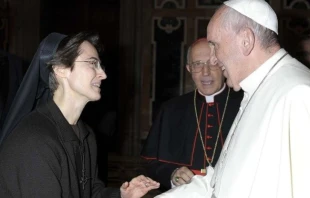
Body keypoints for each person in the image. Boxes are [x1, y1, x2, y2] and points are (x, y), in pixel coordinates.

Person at [0, 32, 159, 198]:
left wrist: (122, 195)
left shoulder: (86, 134)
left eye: (100, 66)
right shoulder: (35, 141)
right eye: (92, 64)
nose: (103, 75)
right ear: (61, 69)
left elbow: (91, 192)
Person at [204, 0, 310, 197]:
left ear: (246, 40)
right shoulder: (254, 90)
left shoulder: (298, 94)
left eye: (214, 45)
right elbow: (216, 184)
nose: (212, 59)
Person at [141, 38, 243, 191]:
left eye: (212, 63)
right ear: (189, 69)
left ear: (223, 66)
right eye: (197, 64)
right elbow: (150, 161)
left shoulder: (245, 104)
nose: (205, 72)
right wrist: (172, 174)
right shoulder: (171, 109)